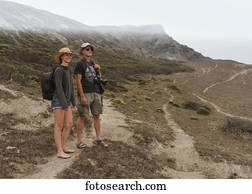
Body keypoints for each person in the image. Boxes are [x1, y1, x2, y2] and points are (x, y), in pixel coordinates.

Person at [74, 42, 108, 148]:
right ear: (82, 51)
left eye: (91, 49)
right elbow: (78, 81)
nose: (89, 51)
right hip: (86, 93)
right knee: (82, 116)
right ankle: (79, 141)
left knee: (97, 115)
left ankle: (98, 139)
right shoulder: (80, 64)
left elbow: (98, 78)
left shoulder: (93, 63)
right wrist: (82, 96)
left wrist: (99, 69)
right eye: (87, 49)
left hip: (96, 92)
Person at [52, 47, 77, 159]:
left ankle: (63, 146)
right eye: (66, 55)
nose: (68, 57)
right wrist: (64, 104)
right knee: (58, 126)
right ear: (61, 57)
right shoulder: (59, 70)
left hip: (66, 101)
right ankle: (59, 151)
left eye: (70, 55)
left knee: (69, 124)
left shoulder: (68, 70)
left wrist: (73, 101)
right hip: (58, 101)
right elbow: (58, 88)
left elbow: (70, 87)